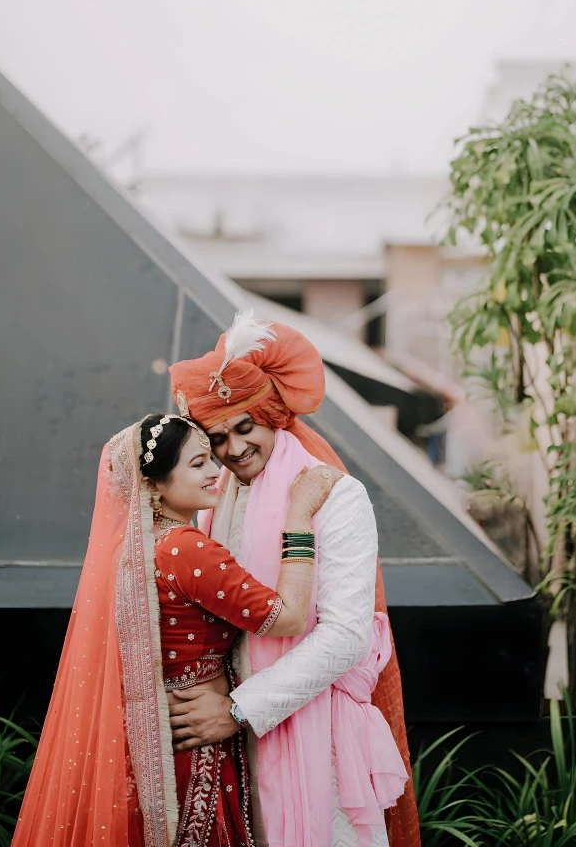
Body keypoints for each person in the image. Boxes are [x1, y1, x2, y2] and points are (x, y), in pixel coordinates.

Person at [11, 412, 340, 847]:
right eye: (198, 463)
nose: (216, 471)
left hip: (157, 742)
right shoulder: (186, 549)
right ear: (154, 486)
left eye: (210, 459)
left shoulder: (132, 550)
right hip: (197, 744)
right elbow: (291, 618)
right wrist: (298, 518)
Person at [168, 310, 420, 847]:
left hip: (316, 734)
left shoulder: (336, 495)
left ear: (273, 416)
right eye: (217, 438)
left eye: (245, 428)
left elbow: (345, 637)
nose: (234, 449)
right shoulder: (215, 500)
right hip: (234, 736)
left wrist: (239, 710)